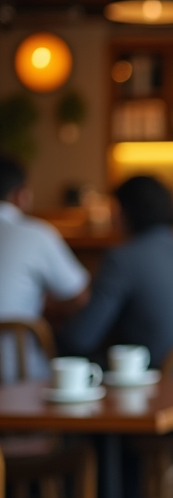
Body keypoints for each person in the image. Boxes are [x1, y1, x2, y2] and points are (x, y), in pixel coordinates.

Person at [59, 175, 173, 369]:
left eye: (115, 209)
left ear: (126, 212)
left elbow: (81, 338)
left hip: (164, 385)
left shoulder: (123, 258)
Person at [0, 155, 90, 382]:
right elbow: (80, 296)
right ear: (21, 195)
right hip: (18, 380)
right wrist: (46, 306)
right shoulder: (35, 234)